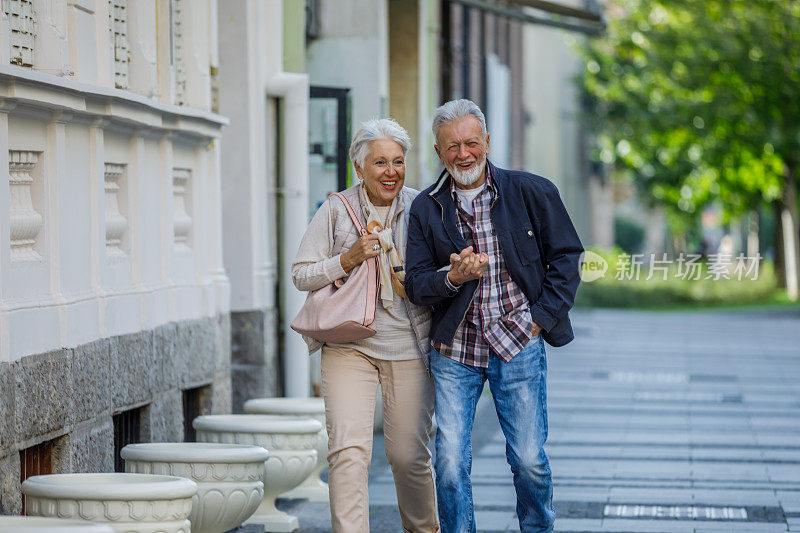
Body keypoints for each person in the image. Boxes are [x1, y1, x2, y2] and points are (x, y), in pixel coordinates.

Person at [405, 99, 583, 533]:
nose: (462, 154)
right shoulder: (426, 207)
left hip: (518, 340)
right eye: (451, 146)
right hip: (455, 349)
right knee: (448, 463)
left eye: (470, 142)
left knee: (528, 460)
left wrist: (538, 318)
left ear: (487, 141)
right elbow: (416, 283)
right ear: (437, 152)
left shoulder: (532, 192)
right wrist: (452, 276)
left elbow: (567, 258)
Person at [292, 118, 439, 533]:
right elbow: (301, 274)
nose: (390, 171)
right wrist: (348, 259)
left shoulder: (421, 207)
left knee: (409, 455)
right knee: (348, 453)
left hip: (409, 345)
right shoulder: (336, 209)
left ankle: (424, 529)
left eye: (398, 161)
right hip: (349, 344)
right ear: (359, 168)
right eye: (379, 163)